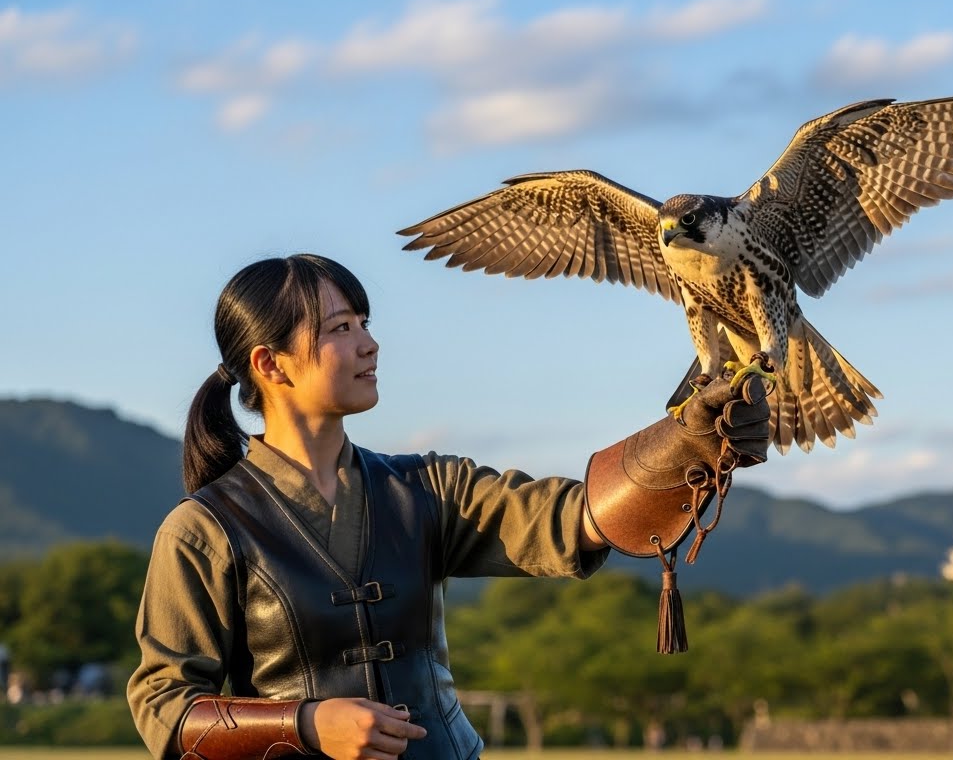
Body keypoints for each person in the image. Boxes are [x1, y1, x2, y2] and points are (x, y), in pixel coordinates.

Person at [126, 254, 769, 760]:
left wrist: (688, 443)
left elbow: (574, 519)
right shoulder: (203, 531)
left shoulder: (428, 489)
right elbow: (166, 707)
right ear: (271, 363)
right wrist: (307, 724)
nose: (369, 344)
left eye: (366, 323)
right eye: (340, 329)